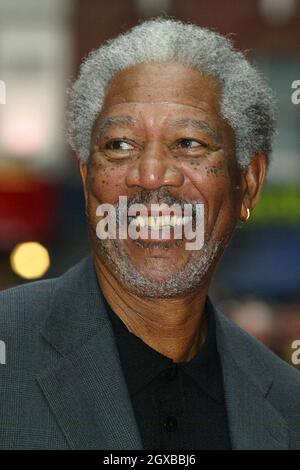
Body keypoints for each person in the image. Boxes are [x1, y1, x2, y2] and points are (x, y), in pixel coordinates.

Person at [0, 18, 299, 450]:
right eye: (120, 144)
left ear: (249, 183)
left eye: (189, 144)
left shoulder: (288, 406)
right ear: (87, 180)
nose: (151, 175)